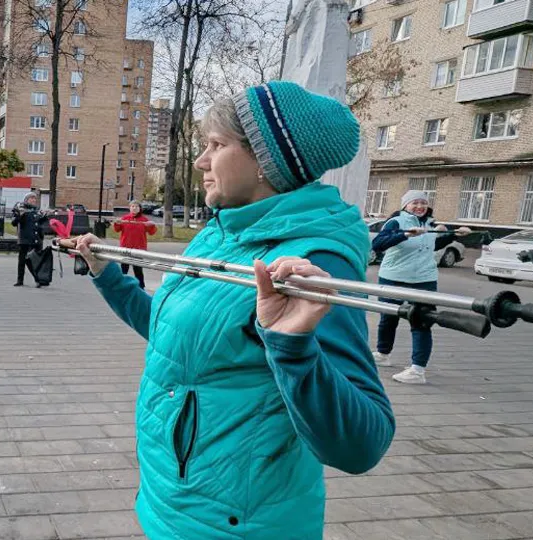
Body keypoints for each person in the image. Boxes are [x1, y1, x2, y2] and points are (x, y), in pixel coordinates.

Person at [74, 81, 395, 539]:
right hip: (174, 496)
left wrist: (292, 347)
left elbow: (362, 446)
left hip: (238, 523)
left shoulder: (314, 259)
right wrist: (107, 274)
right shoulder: (222, 232)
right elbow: (175, 340)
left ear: (267, 162)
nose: (202, 161)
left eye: (216, 145)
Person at [370, 190, 471, 384]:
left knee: (422, 321)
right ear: (405, 205)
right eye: (414, 203)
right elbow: (378, 244)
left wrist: (453, 235)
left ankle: (417, 370)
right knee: (388, 318)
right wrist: (406, 235)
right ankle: (383, 354)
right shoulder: (396, 222)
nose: (419, 206)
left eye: (423, 203)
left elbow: (431, 245)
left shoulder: (431, 223)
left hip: (424, 279)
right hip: (394, 277)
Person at [112, 200, 157, 289]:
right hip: (125, 247)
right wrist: (116, 223)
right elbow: (117, 230)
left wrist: (152, 225)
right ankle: (121, 286)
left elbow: (152, 232)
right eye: (132, 206)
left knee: (138, 269)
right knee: (124, 268)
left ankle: (141, 287)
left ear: (140, 208)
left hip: (139, 248)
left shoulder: (144, 220)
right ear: (130, 208)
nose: (134, 208)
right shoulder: (125, 218)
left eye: (136, 206)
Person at [11, 192, 49, 287]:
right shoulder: (21, 209)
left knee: (32, 260)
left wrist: (45, 217)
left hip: (35, 241)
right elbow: (14, 222)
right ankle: (20, 281)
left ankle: (38, 279)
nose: (34, 200)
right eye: (31, 198)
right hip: (24, 240)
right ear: (26, 200)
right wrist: (20, 214)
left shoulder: (36, 211)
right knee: (22, 261)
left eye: (35, 199)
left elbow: (39, 224)